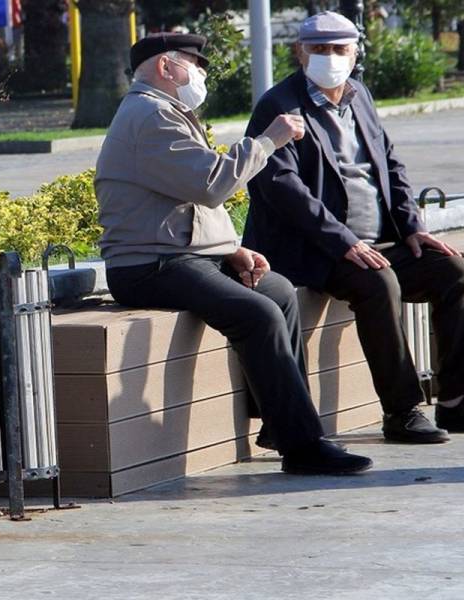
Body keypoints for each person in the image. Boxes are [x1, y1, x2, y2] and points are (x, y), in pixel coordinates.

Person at [95, 33, 372, 475]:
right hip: (149, 266)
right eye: (194, 63)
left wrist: (233, 249)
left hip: (179, 256)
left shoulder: (165, 111)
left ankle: (283, 427)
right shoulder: (150, 116)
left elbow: (186, 199)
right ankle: (303, 447)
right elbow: (212, 184)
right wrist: (268, 140)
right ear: (166, 67)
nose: (201, 73)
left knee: (279, 291)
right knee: (257, 314)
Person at [243, 11, 464, 444]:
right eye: (318, 49)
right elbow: (282, 188)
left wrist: (412, 226)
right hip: (317, 250)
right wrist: (343, 241)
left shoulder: (360, 96)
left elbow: (389, 163)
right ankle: (402, 411)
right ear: (299, 52)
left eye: (339, 49)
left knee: (455, 272)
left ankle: (458, 401)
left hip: (377, 241)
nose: (329, 57)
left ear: (355, 53)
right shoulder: (278, 107)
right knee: (379, 282)